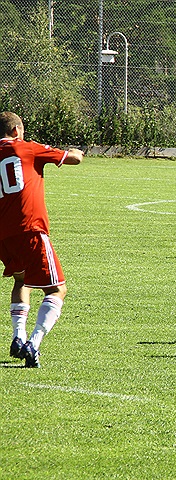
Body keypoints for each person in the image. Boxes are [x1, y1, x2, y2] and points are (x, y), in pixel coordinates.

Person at [0, 111, 83, 368]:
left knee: (22, 280)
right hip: (30, 229)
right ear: (16, 131)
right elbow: (74, 159)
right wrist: (75, 151)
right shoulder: (27, 148)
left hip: (3, 235)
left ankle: (18, 336)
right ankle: (33, 344)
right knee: (57, 289)